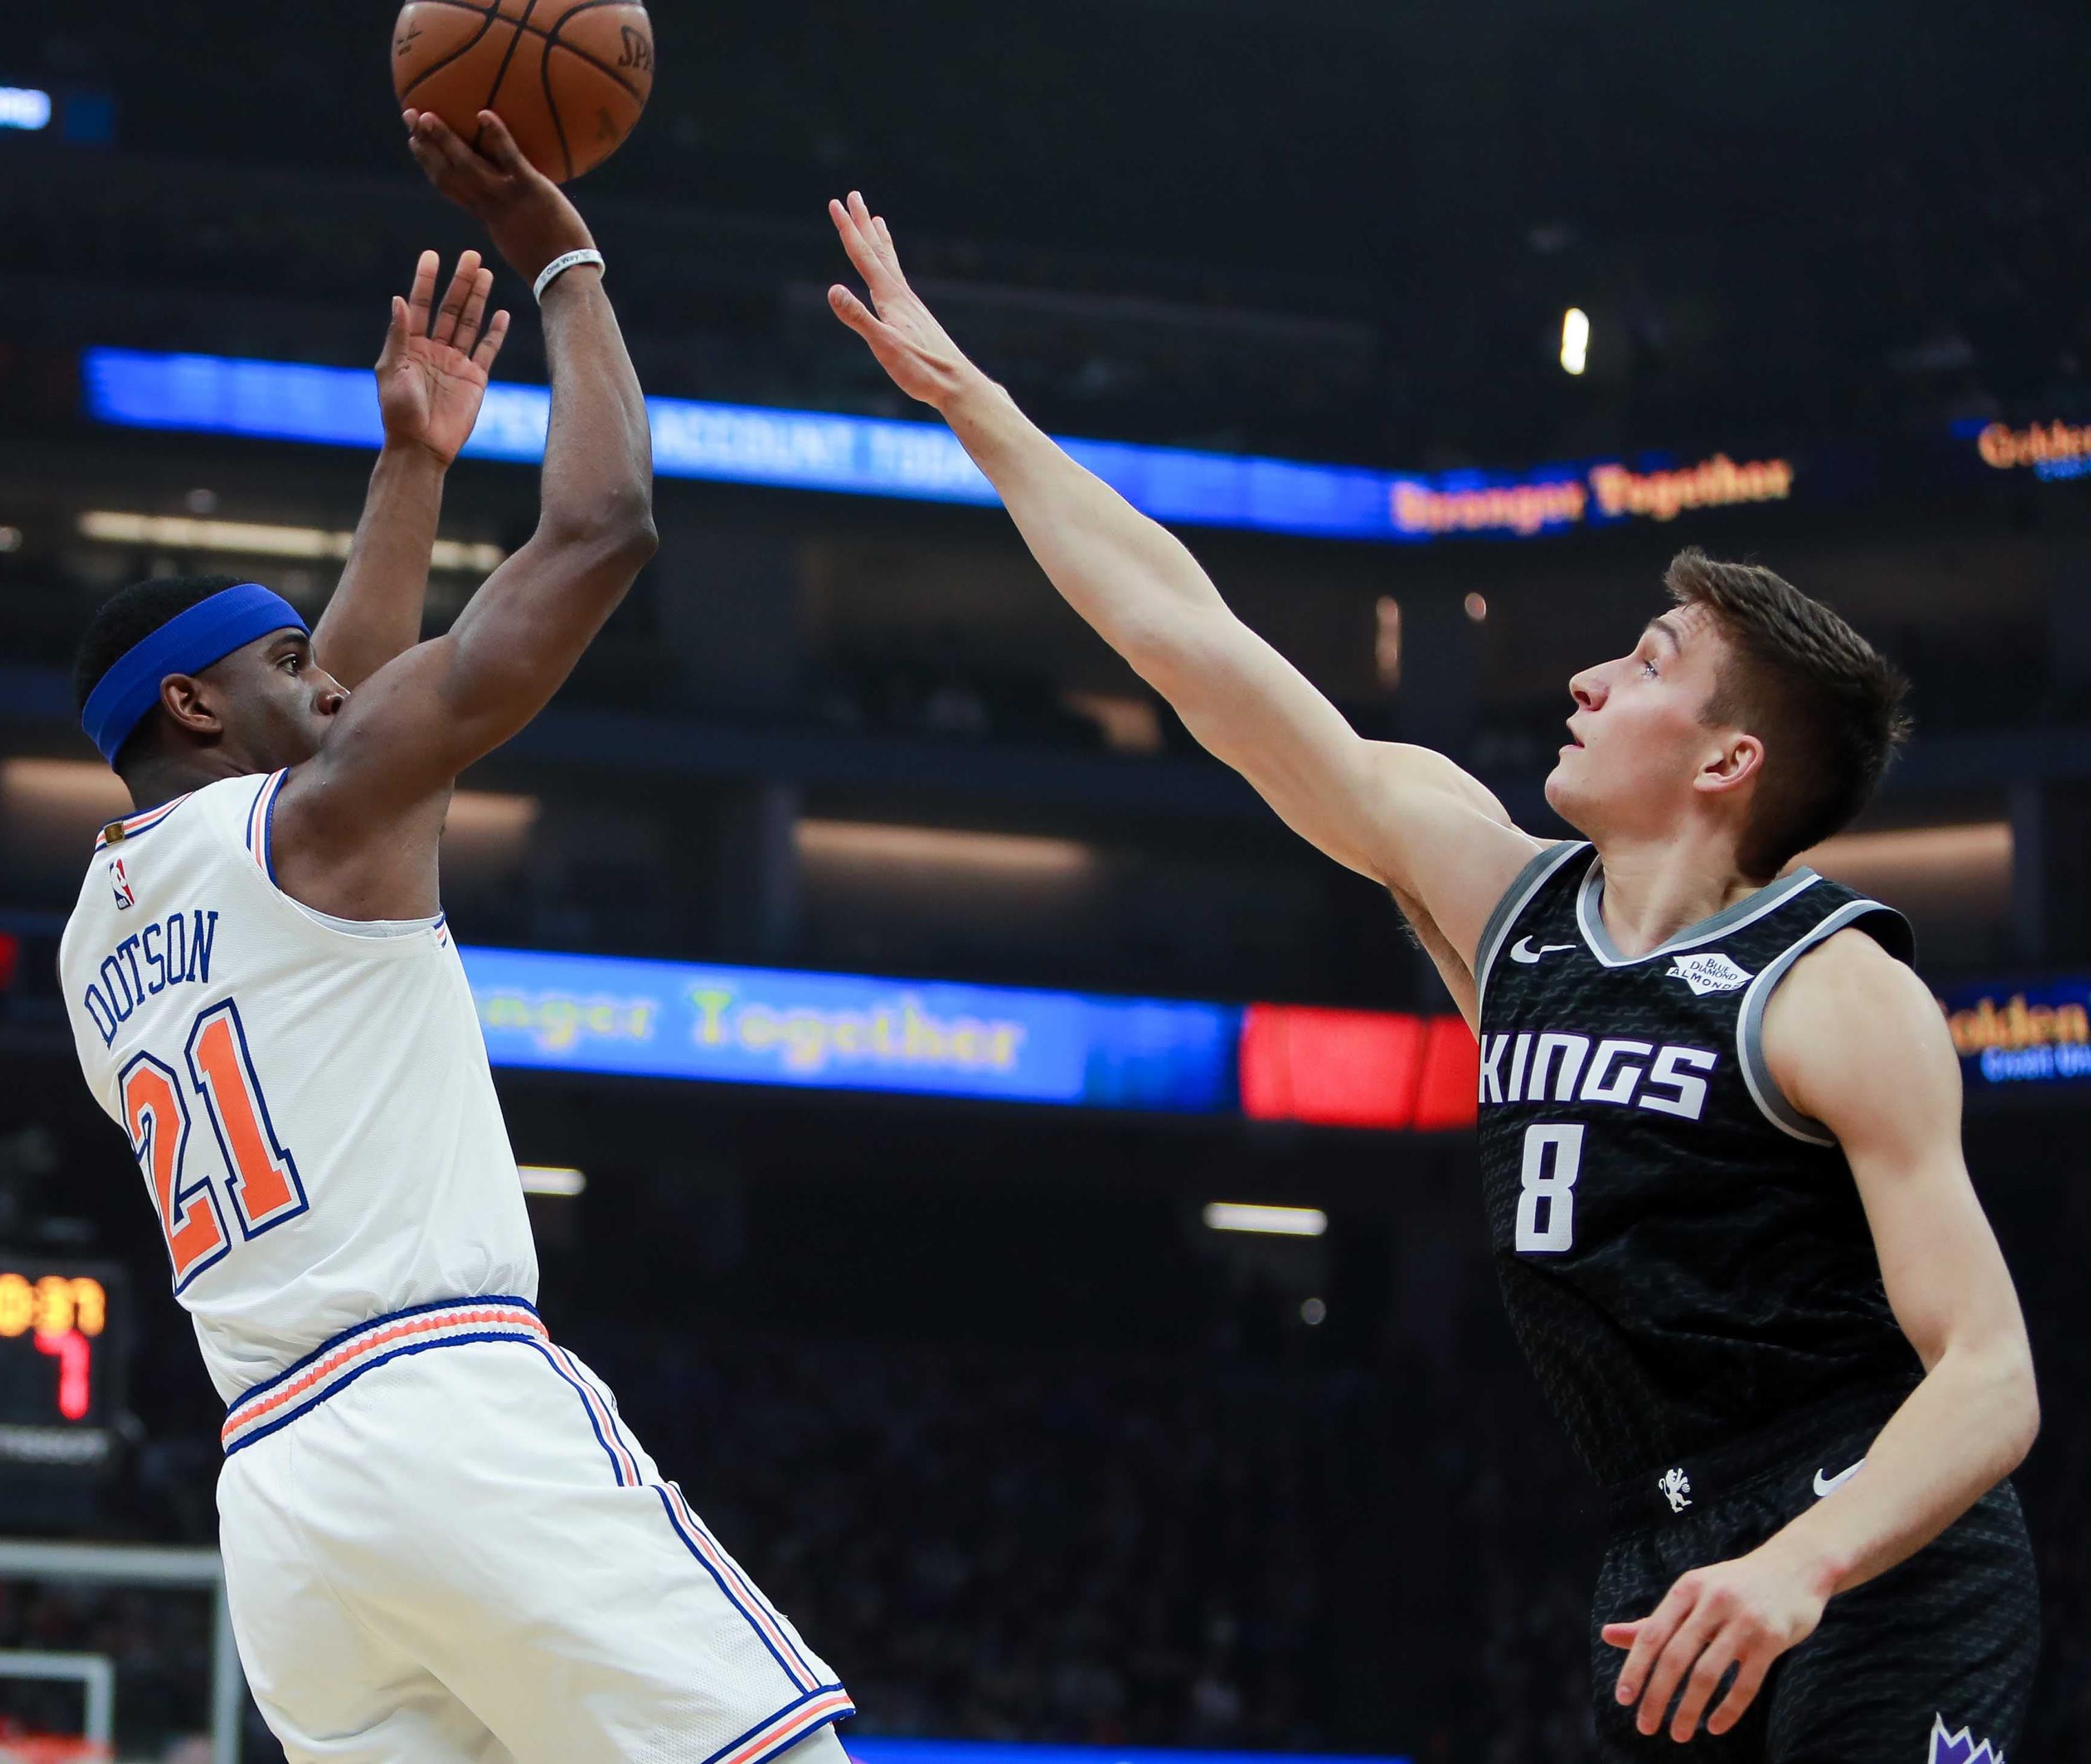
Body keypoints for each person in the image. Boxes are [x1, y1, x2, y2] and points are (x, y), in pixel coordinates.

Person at [825, 192, 2039, 1761]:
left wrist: (1803, 1563)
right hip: (1668, 1560)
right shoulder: (1503, 901)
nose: (1594, 675)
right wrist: (978, 410)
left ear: (1733, 760)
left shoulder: (1828, 988)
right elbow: (1191, 640)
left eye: (1653, 661)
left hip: (1877, 1554)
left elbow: (1993, 1374)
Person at [55, 115, 852, 1764]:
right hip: (447, 1411)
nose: (331, 677)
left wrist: (412, 463)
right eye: (289, 658)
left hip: (283, 1507)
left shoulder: (97, 928)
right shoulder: (319, 815)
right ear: (200, 704)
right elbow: (605, 526)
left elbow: (333, 710)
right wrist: (571, 265)